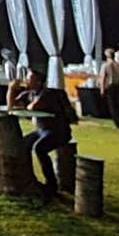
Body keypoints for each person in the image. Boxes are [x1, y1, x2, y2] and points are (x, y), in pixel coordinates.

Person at [9, 68, 76, 198]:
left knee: (39, 149)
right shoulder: (30, 93)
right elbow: (11, 105)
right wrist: (11, 89)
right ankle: (27, 178)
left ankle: (51, 184)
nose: (26, 80)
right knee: (22, 145)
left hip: (58, 131)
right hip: (42, 130)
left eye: (29, 78)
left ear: (38, 82)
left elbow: (34, 106)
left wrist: (25, 103)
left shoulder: (47, 93)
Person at [99, 48, 119, 133]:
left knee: (113, 107)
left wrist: (102, 89)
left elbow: (103, 78)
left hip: (112, 87)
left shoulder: (105, 65)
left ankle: (118, 124)